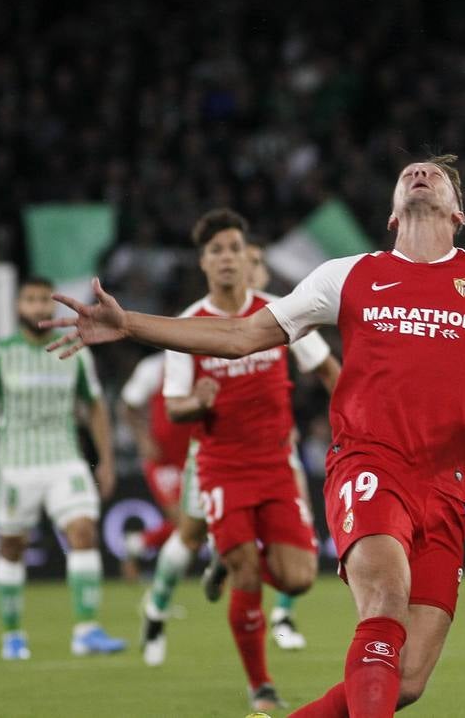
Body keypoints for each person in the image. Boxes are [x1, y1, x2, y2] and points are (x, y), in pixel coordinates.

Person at [42, 156, 465, 718]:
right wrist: (130, 323)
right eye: (409, 173)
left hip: (446, 484)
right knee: (385, 600)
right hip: (368, 464)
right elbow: (243, 335)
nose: (420, 173)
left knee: (407, 680)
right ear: (393, 214)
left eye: (437, 175)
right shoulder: (348, 276)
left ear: (459, 213)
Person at [139, 208, 340, 713]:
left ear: (247, 257)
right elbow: (175, 406)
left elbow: (326, 368)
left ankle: (228, 562)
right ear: (204, 262)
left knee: (298, 578)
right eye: (216, 251)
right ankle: (260, 685)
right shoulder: (188, 326)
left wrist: (355, 417)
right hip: (222, 467)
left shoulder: (278, 311)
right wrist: (198, 402)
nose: (226, 258)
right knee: (247, 576)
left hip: (276, 465)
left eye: (233, 248)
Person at [0, 276, 126, 660]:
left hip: (64, 460)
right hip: (15, 465)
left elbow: (95, 405)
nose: (38, 306)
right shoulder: (0, 352)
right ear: (18, 306)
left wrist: (105, 460)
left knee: (84, 531)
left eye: (44, 300)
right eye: (31, 299)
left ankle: (86, 632)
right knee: (12, 546)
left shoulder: (76, 348)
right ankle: (12, 635)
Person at [200, 237, 323, 652]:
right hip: (217, 457)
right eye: (245, 260)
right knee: (186, 539)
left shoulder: (279, 315)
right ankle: (163, 607)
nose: (250, 269)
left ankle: (278, 608)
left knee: (298, 553)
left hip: (276, 453)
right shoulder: (204, 319)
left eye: (255, 261)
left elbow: (322, 366)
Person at [118, 350, 194, 579]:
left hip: (194, 455)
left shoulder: (203, 360)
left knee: (197, 521)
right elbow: (127, 407)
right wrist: (143, 439)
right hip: (163, 459)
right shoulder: (153, 367)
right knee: (183, 521)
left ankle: (139, 543)